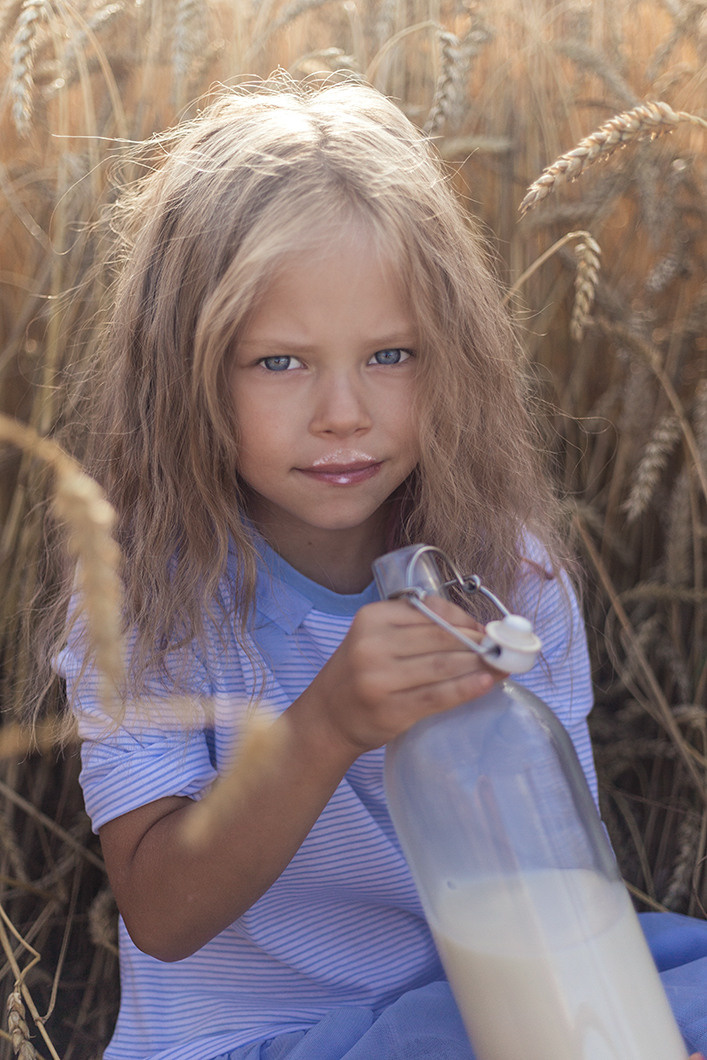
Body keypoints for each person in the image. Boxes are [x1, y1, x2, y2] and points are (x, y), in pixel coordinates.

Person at [56, 77, 707, 1060]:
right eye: (280, 362)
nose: (343, 413)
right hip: (263, 1037)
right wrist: (324, 727)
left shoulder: (506, 573)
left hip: (472, 993)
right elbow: (161, 911)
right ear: (182, 370)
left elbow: (561, 888)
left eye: (390, 354)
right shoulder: (145, 591)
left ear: (452, 353)